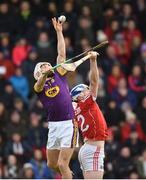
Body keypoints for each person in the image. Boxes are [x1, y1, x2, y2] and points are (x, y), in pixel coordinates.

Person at [33, 17, 78, 179]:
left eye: (47, 64)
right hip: (53, 125)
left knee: (61, 164)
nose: (47, 66)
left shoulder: (59, 74)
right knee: (51, 164)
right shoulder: (39, 86)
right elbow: (38, 84)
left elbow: (61, 54)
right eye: (43, 66)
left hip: (68, 123)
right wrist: (43, 75)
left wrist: (59, 32)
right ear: (38, 74)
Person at [70, 51, 108, 179]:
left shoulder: (75, 109)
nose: (88, 90)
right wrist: (93, 60)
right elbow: (94, 81)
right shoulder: (86, 102)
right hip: (93, 150)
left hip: (88, 148)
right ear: (79, 96)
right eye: (85, 89)